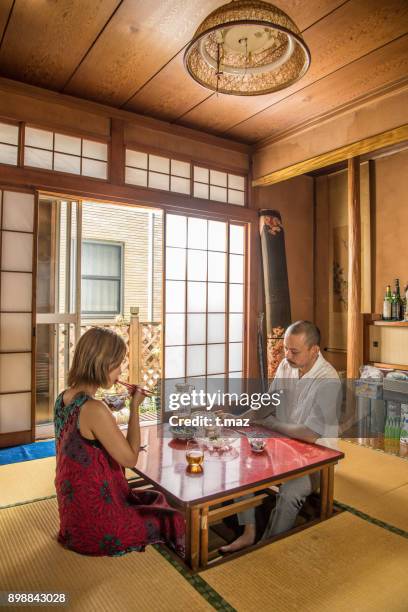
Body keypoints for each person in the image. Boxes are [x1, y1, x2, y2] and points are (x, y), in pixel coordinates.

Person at [54, 326, 185, 556]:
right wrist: (135, 407)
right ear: (102, 364)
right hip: (96, 525)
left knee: (155, 497)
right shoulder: (94, 409)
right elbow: (130, 459)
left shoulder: (64, 397)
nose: (120, 371)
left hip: (73, 516)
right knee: (173, 518)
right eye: (118, 364)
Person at [220, 320, 341, 553]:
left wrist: (272, 424)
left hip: (318, 457)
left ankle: (267, 548)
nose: (287, 355)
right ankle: (249, 533)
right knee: (241, 466)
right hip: (283, 447)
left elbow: (310, 434)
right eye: (285, 348)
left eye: (294, 351)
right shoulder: (287, 365)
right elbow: (268, 403)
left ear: (314, 350)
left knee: (290, 493)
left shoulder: (328, 380)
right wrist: (237, 419)